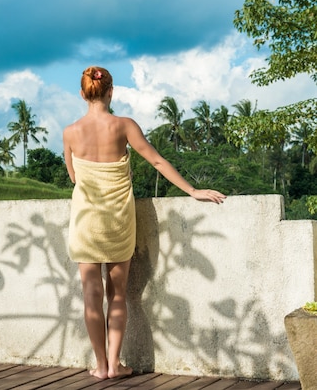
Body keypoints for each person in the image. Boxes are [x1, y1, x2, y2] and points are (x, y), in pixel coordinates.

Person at [62, 65, 226, 380]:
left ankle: (99, 367)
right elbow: (157, 160)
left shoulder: (70, 132)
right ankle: (115, 364)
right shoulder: (125, 125)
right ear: (111, 92)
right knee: (119, 293)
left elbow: (73, 176)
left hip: (84, 220)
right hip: (117, 220)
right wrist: (193, 190)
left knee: (91, 294)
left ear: (83, 94)